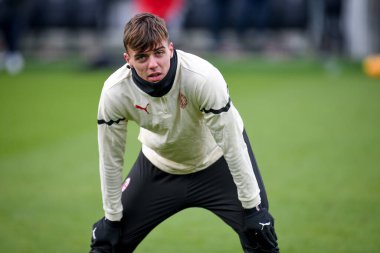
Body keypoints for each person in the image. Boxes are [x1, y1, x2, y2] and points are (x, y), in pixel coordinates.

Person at [90, 12, 279, 253]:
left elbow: (232, 143)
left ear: (170, 48)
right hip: (157, 167)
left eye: (158, 53)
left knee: (260, 236)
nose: (152, 64)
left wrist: (254, 209)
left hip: (217, 161)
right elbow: (110, 158)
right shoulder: (115, 91)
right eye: (142, 57)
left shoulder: (203, 77)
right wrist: (111, 216)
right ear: (128, 59)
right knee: (107, 244)